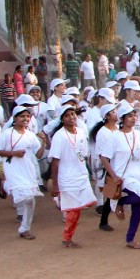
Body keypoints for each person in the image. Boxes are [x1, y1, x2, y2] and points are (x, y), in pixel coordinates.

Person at [97, 103, 140, 249]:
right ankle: (119, 202)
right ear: (122, 119)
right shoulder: (114, 136)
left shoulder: (137, 133)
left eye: (134, 115)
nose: (133, 118)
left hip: (137, 176)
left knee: (138, 208)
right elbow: (104, 157)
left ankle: (130, 239)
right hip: (123, 177)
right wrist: (114, 175)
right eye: (129, 116)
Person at [0, 106, 46, 239]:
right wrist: (14, 153)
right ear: (15, 118)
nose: (25, 119)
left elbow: (38, 155)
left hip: (28, 169)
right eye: (22, 116)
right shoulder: (7, 134)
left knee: (30, 199)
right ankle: (4, 183)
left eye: (27, 116)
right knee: (20, 194)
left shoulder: (30, 135)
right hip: (13, 167)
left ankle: (24, 228)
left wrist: (44, 142)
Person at [49, 105, 96, 248]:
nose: (71, 117)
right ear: (62, 119)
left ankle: (68, 235)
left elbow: (84, 155)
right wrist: (55, 185)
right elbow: (55, 162)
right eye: (67, 115)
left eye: (73, 114)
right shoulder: (59, 136)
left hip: (81, 175)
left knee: (81, 207)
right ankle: (67, 238)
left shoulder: (81, 132)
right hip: (67, 177)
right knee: (73, 210)